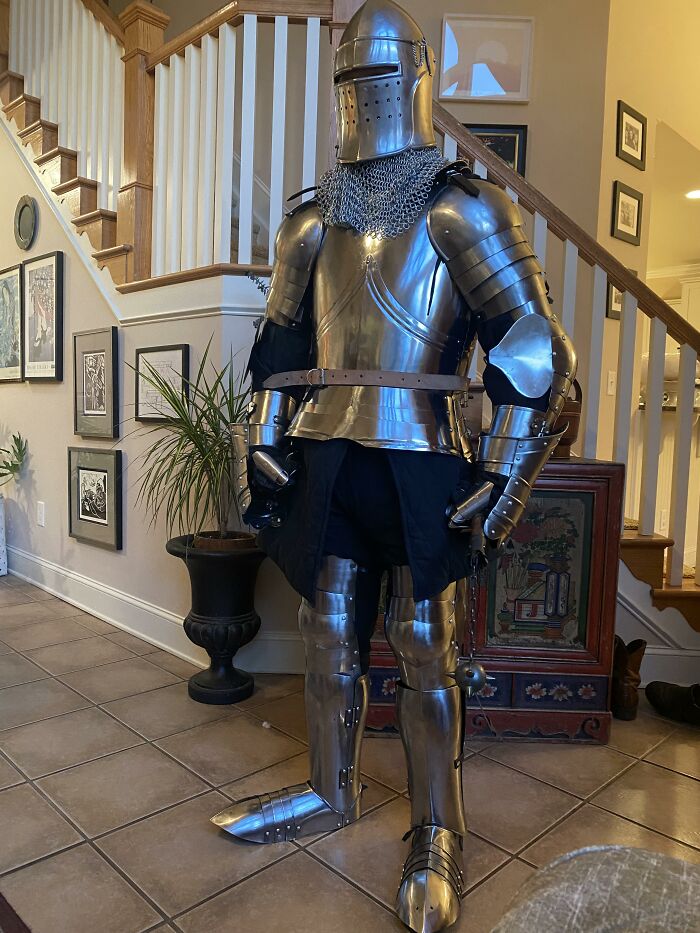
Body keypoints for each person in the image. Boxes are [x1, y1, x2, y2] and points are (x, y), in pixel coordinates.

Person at [211, 2, 576, 930]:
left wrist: (504, 474)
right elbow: (280, 349)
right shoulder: (310, 221)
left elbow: (534, 348)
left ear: (414, 78)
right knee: (328, 631)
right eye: (350, 80)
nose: (363, 95)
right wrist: (263, 437)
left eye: (374, 76)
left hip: (422, 452)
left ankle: (438, 829)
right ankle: (328, 789)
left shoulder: (462, 208)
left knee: (423, 644)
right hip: (328, 449)